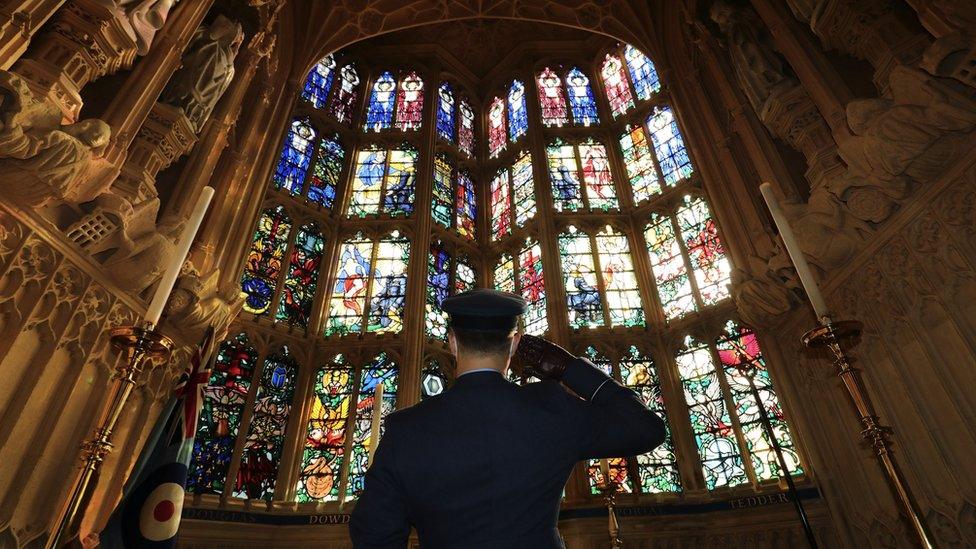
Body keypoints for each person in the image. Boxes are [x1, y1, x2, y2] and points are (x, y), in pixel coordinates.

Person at [349, 288, 666, 548]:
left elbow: (375, 537)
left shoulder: (406, 430)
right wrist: (569, 367)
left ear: (453, 342)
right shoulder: (552, 408)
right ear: (514, 343)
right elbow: (645, 428)